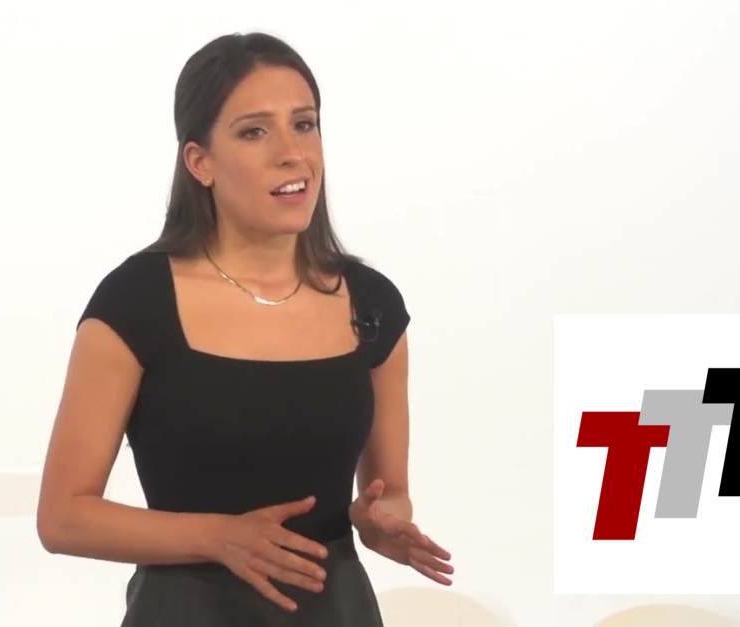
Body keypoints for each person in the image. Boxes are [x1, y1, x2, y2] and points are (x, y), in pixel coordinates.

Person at [35, 31, 453, 626]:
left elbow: (392, 490)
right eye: (254, 132)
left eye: (304, 124)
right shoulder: (137, 303)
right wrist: (220, 537)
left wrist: (383, 521)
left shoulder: (372, 305)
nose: (292, 152)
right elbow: (63, 517)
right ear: (200, 162)